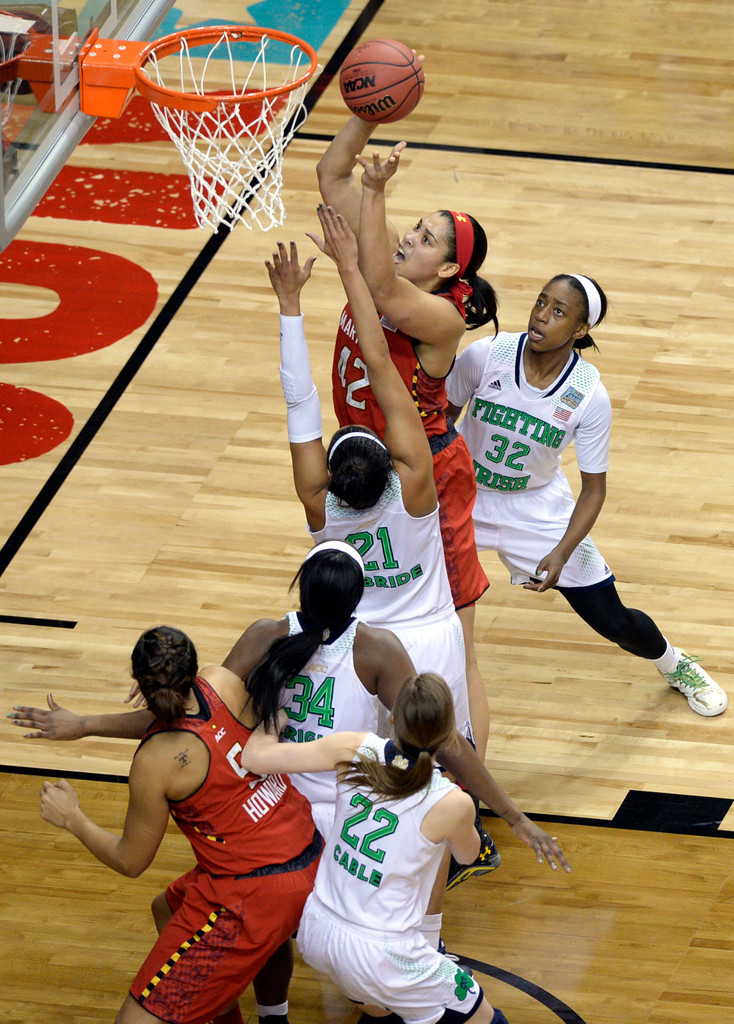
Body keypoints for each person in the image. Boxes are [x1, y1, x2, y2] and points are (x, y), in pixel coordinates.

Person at [268, 203, 570, 878]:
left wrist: (292, 303)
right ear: (391, 461)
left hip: (364, 642)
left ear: (331, 479)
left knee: (372, 756)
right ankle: (467, 831)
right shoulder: (417, 489)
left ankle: (370, 846)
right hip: (428, 635)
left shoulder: (319, 509)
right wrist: (346, 270)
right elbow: (382, 369)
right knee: (447, 748)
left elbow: (298, 400)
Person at [445, 273, 727, 717]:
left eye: (558, 312)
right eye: (541, 302)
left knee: (612, 620)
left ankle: (676, 664)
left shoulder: (589, 395)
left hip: (535, 507)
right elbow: (440, 421)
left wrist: (560, 552)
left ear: (580, 330)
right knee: (405, 586)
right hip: (464, 494)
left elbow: (594, 490)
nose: (540, 316)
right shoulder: (486, 355)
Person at [317, 113, 497, 758]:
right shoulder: (380, 250)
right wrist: (368, 115)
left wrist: (376, 193)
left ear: (450, 270)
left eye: (424, 240)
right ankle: (378, 758)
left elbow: (386, 298)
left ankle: (470, 781)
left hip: (428, 482)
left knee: (455, 641)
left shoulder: (441, 318)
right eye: (413, 228)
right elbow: (330, 173)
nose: (409, 239)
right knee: (364, 625)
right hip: (364, 474)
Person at [35, 625, 322, 1024]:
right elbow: (169, 722)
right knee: (168, 909)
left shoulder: (156, 762)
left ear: (138, 684)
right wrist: (85, 725)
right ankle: (272, 1017)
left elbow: (131, 861)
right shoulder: (220, 682)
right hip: (305, 846)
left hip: (253, 891)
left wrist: (73, 818)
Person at [239, 672, 509, 1024]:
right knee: (483, 1014)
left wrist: (273, 712)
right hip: (384, 952)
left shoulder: (354, 748)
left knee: (384, 1007)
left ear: (394, 718)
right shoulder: (451, 803)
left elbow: (255, 758)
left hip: (317, 930)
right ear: (447, 735)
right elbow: (468, 856)